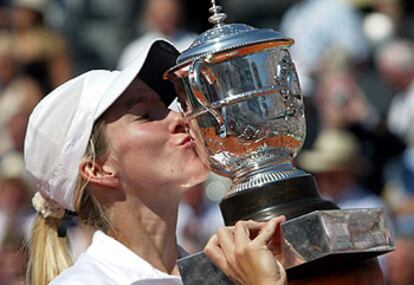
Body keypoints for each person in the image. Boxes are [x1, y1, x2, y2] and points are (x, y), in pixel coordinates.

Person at [24, 38, 287, 285]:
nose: (180, 119)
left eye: (168, 107)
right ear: (98, 169)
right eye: (147, 115)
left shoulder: (225, 272)